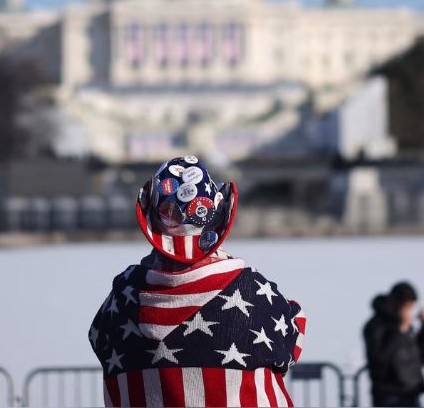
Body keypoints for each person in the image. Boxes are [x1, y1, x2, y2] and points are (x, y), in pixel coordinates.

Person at [88, 156, 306, 407]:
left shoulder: (122, 298)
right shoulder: (251, 291)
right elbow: (290, 340)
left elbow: (99, 340)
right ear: (218, 216)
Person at [363, 281, 424, 407]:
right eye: (407, 306)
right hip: (389, 395)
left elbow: (419, 353)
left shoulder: (402, 325)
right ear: (396, 302)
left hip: (411, 392)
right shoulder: (376, 326)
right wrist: (401, 330)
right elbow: (379, 359)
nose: (409, 311)